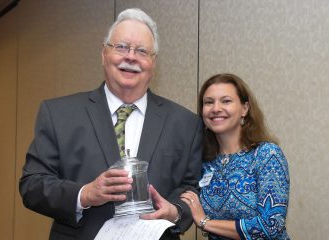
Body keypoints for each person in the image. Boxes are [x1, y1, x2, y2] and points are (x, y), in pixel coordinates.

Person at [19, 8, 202, 240]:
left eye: (142, 51)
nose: (131, 57)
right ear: (104, 54)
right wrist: (85, 194)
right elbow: (32, 185)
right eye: (122, 47)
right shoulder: (58, 113)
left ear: (153, 63)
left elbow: (190, 188)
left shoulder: (185, 123)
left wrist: (176, 211)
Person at [181, 73, 290, 239]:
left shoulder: (267, 155)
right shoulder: (204, 162)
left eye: (226, 101)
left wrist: (205, 222)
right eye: (209, 102)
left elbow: (271, 225)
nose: (216, 108)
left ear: (244, 109)